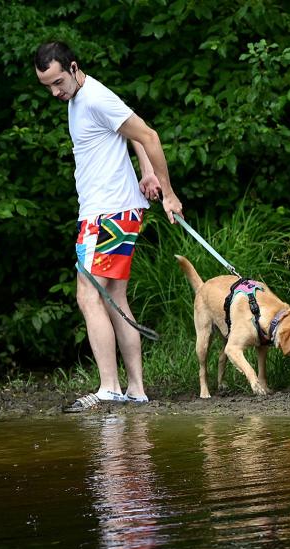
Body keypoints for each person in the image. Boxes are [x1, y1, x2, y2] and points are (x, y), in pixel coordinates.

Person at [34, 41, 184, 413]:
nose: (55, 92)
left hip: (107, 215)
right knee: (115, 297)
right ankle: (135, 390)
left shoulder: (95, 97)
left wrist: (167, 192)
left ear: (73, 67)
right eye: (47, 87)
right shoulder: (81, 99)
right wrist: (146, 172)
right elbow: (130, 132)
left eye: (57, 82)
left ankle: (109, 388)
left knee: (88, 294)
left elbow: (148, 134)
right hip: (110, 211)